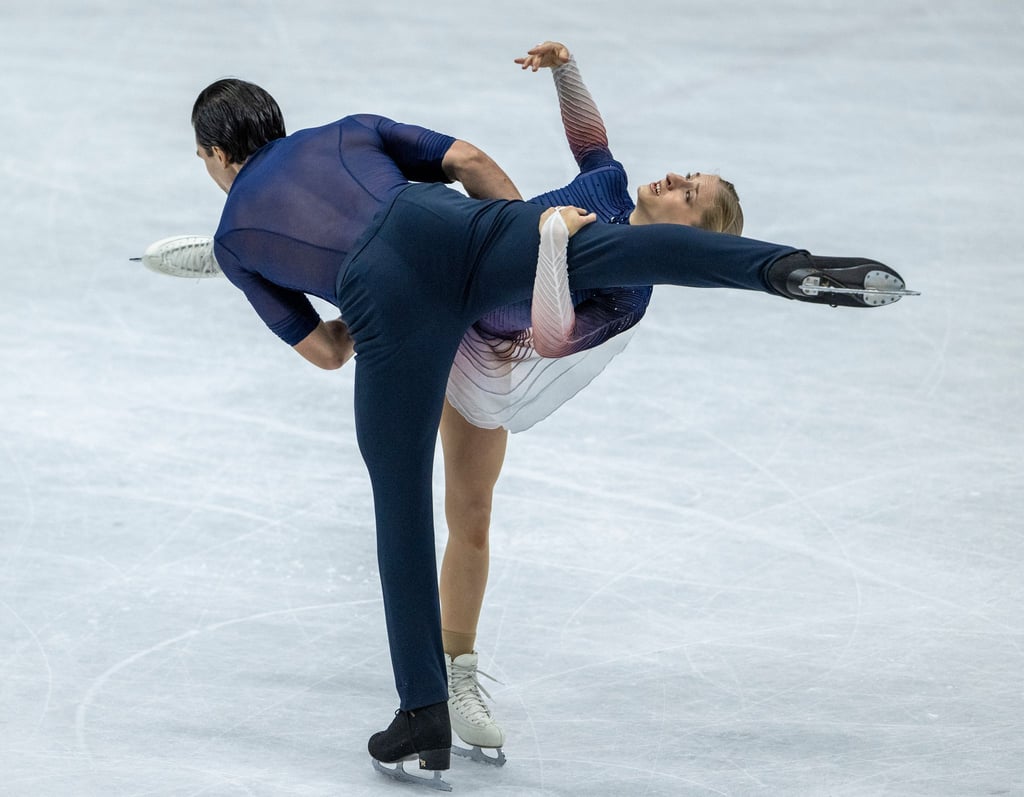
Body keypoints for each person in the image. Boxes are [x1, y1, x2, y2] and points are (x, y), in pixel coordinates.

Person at [189, 69, 909, 784]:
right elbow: (468, 162)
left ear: (214, 156)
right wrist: (515, 235)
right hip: (460, 233)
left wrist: (373, 307)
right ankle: (786, 268)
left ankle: (423, 714)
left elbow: (326, 352)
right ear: (275, 120)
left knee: (399, 501)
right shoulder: (347, 129)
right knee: (621, 252)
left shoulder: (232, 242)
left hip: (389, 309)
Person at [437, 40, 747, 762]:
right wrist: (567, 69)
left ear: (684, 234)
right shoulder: (609, 188)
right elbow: (592, 141)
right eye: (688, 175)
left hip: (481, 350)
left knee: (472, 514)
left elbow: (550, 336)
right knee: (367, 280)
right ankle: (250, 254)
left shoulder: (628, 294)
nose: (673, 177)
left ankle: (458, 675)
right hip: (440, 278)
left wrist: (552, 244)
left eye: (688, 192)